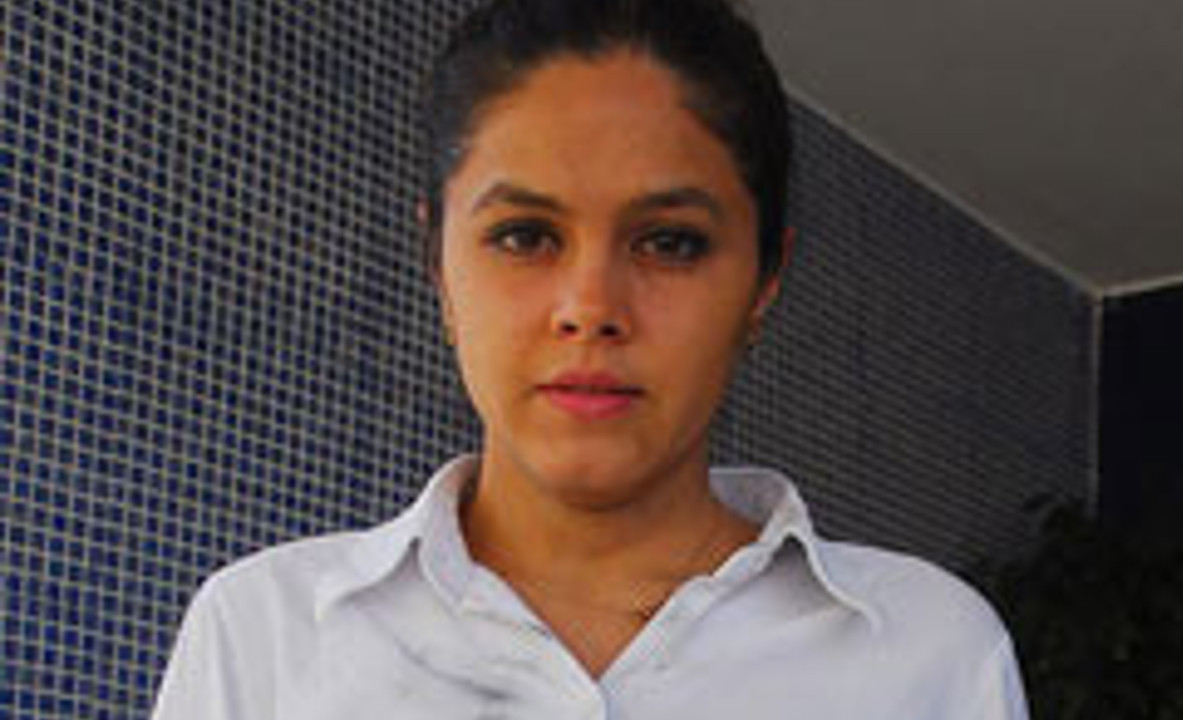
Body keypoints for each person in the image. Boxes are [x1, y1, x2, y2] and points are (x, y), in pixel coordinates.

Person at [152, 0, 1030, 717]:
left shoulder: (927, 655)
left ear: (764, 283)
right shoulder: (266, 637)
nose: (591, 308)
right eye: (524, 236)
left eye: (671, 243)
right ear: (440, 270)